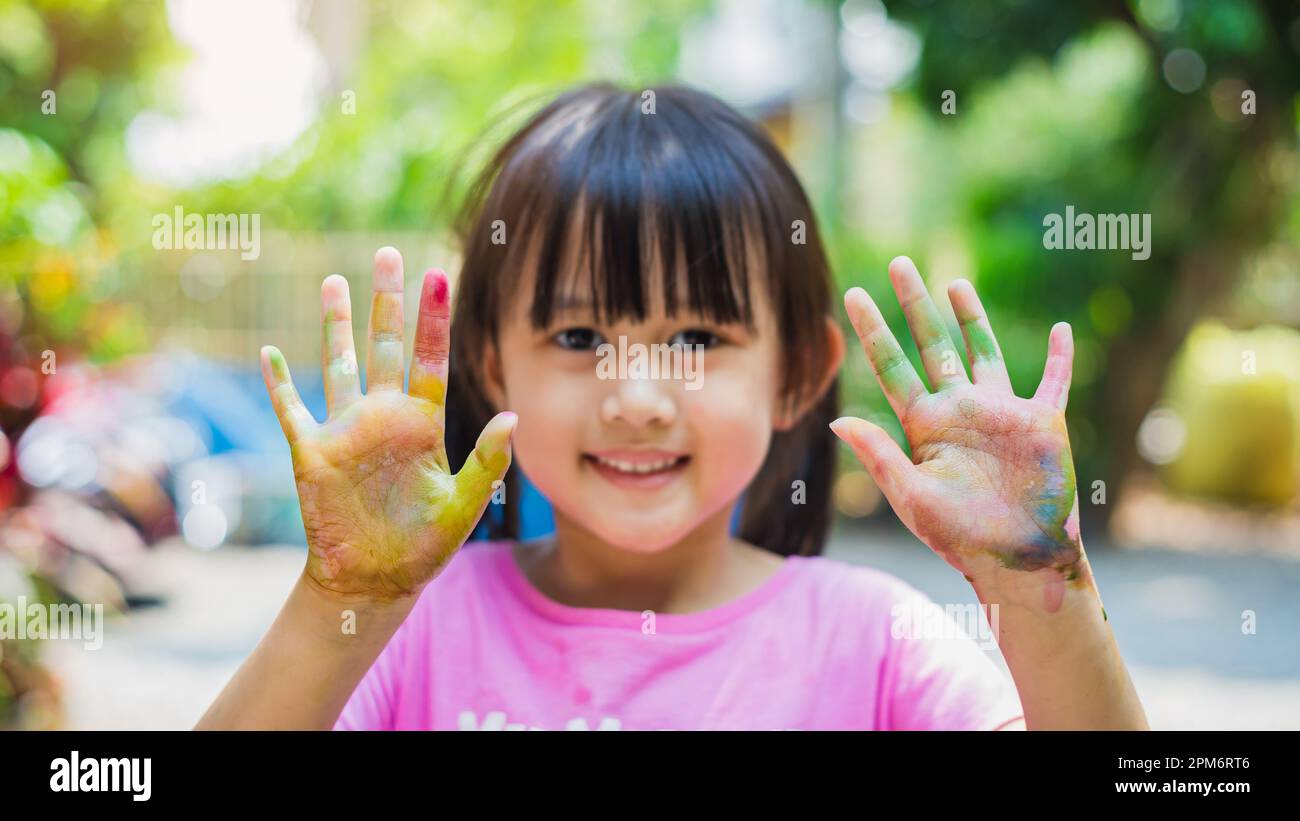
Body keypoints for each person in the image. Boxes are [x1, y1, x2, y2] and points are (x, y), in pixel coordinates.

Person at [197, 84, 1147, 730]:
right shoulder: (410, 634)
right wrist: (340, 606)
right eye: (577, 339)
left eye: (697, 340)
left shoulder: (876, 643)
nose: (640, 399)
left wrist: (1039, 590)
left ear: (796, 374)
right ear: (492, 362)